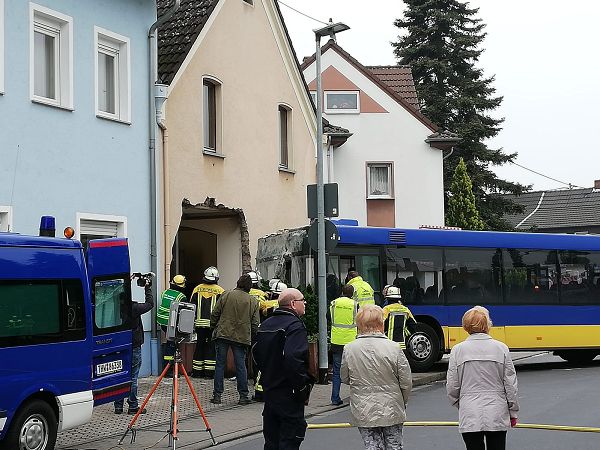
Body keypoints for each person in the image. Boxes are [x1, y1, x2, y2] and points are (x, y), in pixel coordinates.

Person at [446, 306, 519, 450]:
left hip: (469, 410)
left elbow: (452, 386)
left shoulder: (457, 350)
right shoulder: (501, 348)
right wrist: (513, 411)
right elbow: (510, 384)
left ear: (465, 325)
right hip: (497, 409)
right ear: (488, 324)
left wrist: (461, 403)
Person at [341, 304, 412, 450]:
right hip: (392, 405)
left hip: (363, 407)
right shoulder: (394, 347)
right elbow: (406, 381)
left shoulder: (349, 348)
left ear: (359, 324)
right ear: (381, 323)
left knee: (372, 446)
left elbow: (344, 377)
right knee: (394, 445)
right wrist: (402, 400)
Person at [253, 288, 314, 450]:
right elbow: (293, 358)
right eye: (302, 300)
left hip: (270, 392)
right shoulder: (295, 326)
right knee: (290, 440)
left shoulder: (266, 324)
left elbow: (255, 354)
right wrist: (302, 387)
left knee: (272, 442)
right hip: (289, 394)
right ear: (293, 304)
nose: (305, 303)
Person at [210, 274, 260, 405]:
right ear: (250, 287)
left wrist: (213, 326)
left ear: (238, 283)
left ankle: (217, 396)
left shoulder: (226, 295)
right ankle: (243, 396)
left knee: (220, 364)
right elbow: (255, 323)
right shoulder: (253, 301)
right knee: (241, 366)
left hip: (223, 333)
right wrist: (253, 335)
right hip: (242, 336)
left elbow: (215, 313)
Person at [115, 275, 154, 415]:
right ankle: (133, 406)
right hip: (134, 345)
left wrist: (124, 281)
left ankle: (118, 406)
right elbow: (150, 304)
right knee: (133, 376)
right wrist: (147, 287)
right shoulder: (134, 308)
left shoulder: (114, 307)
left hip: (119, 345)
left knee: (120, 375)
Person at [253, 279, 288, 402]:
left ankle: (259, 392)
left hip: (265, 337)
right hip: (281, 338)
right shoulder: (286, 306)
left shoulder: (266, 304)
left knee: (263, 364)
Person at [189, 266, 224, 379]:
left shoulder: (197, 289)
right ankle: (209, 373)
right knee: (211, 347)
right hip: (213, 325)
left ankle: (197, 372)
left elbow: (191, 306)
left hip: (199, 324)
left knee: (199, 346)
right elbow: (222, 309)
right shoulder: (220, 291)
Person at [329, 284, 357, 406]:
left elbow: (328, 317)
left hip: (336, 341)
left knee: (336, 371)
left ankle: (335, 398)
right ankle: (355, 398)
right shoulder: (355, 305)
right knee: (354, 371)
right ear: (352, 294)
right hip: (351, 342)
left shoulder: (334, 303)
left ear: (342, 292)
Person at [157, 274, 187, 367]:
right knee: (171, 344)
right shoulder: (181, 296)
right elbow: (183, 313)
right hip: (171, 323)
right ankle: (168, 368)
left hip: (161, 321)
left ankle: (169, 366)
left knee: (170, 342)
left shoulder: (165, 292)